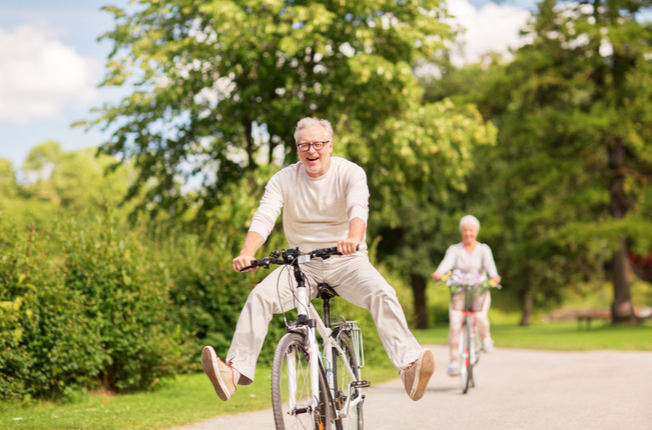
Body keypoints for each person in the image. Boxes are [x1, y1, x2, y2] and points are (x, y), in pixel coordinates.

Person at [201, 117, 435, 402]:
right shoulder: (284, 178)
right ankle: (233, 373)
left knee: (382, 292)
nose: (311, 151)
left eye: (317, 144)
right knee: (259, 297)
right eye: (304, 145)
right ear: (297, 149)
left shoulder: (350, 172)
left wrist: (353, 238)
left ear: (330, 146)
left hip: (347, 260)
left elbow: (358, 207)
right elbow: (264, 216)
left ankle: (409, 367)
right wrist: (247, 252)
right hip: (302, 265)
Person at [431, 215, 501, 377]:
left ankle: (486, 339)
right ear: (461, 232)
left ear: (476, 232)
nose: (468, 233)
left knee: (480, 316)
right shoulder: (454, 250)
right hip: (460, 293)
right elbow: (446, 264)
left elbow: (491, 268)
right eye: (465, 230)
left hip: (479, 292)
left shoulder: (484, 249)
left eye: (471, 230)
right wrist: (439, 272)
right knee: (455, 324)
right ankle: (454, 362)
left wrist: (494, 276)